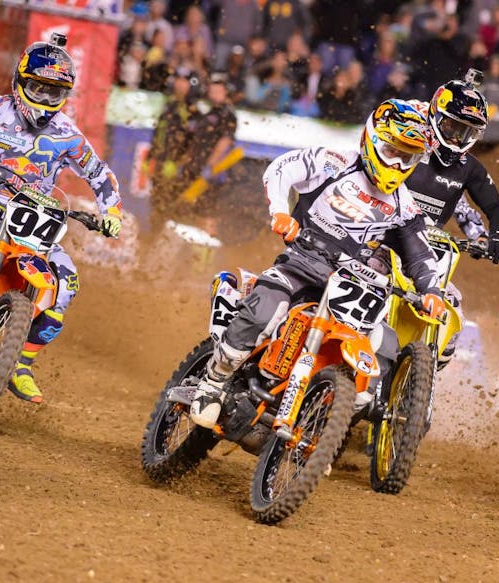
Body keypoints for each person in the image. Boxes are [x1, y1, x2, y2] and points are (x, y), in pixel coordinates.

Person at [189, 99, 445, 437]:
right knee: (266, 309)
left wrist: (431, 291)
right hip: (302, 264)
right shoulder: (333, 162)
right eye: (391, 151)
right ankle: (213, 382)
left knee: (385, 343)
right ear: (371, 139)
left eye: (407, 157)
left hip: (353, 286)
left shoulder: (404, 206)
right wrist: (280, 213)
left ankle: (330, 422)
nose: (397, 163)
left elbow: (420, 253)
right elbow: (281, 170)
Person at [0, 35, 123, 403]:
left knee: (67, 282)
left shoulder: (68, 134)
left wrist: (111, 212)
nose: (44, 100)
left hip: (31, 217)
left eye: (53, 92)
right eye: (38, 89)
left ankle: (22, 362)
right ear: (19, 82)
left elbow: (99, 173)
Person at [403, 70, 499, 368]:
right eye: (452, 127)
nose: (457, 138)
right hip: (383, 239)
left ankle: (420, 378)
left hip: (426, 251)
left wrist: (491, 237)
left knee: (452, 318)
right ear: (436, 117)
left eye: (467, 132)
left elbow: (493, 207)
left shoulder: (467, 168)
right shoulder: (407, 143)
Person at [148, 66, 199, 217]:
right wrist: (150, 157)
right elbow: (160, 133)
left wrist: (179, 164)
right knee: (156, 202)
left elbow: (195, 143)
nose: (180, 84)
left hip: (177, 167)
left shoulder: (192, 110)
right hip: (161, 162)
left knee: (170, 205)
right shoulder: (169, 103)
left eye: (184, 81)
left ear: (190, 85)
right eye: (178, 80)